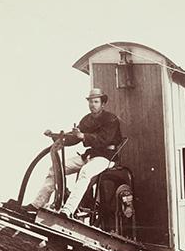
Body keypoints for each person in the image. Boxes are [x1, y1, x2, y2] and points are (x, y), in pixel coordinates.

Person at [26, 88, 122, 217]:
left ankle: (68, 210)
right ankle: (37, 205)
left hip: (106, 158)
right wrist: (56, 137)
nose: (92, 105)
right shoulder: (87, 119)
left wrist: (83, 136)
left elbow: (103, 140)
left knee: (85, 172)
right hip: (90, 155)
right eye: (90, 102)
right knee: (55, 169)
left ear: (102, 104)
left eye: (96, 102)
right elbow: (74, 137)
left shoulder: (111, 119)